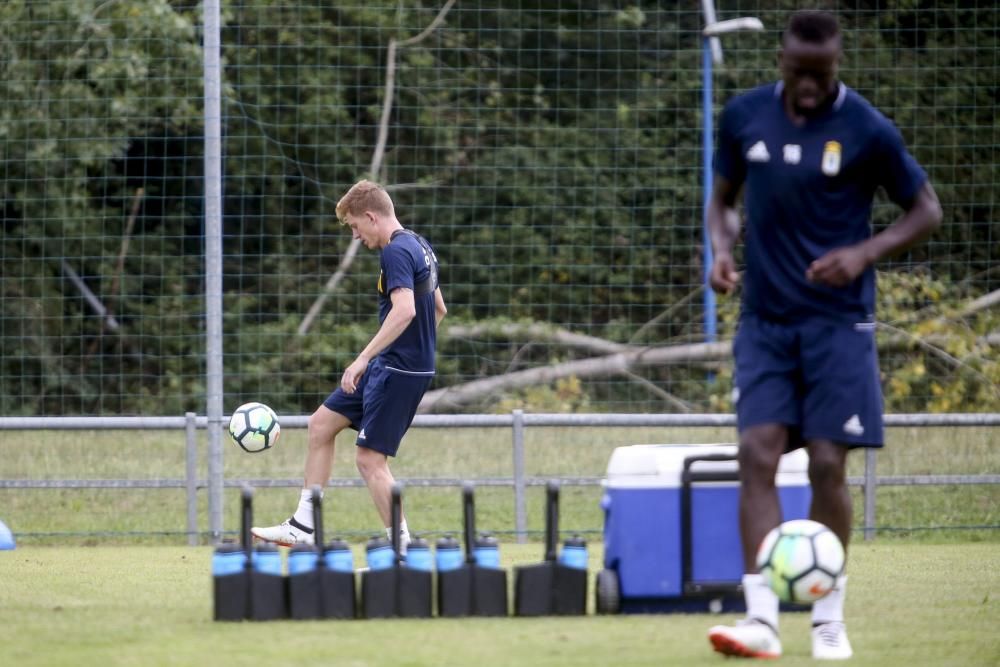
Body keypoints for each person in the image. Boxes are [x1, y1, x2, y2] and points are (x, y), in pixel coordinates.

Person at [704, 10, 941, 661]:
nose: (809, 86)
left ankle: (827, 617)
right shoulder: (745, 115)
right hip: (766, 322)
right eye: (799, 72)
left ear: (837, 64)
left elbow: (925, 209)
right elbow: (722, 199)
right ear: (780, 58)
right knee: (757, 452)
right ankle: (760, 621)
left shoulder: (866, 128)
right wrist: (722, 250)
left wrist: (864, 253)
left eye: (822, 74)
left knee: (829, 462)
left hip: (839, 323)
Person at [253, 179, 447, 553]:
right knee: (321, 424)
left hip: (396, 370)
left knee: (370, 460)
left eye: (356, 227)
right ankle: (303, 525)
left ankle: (402, 551)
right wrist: (417, 349)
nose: (356, 236)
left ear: (372, 217)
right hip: (398, 366)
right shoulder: (421, 245)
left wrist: (364, 358)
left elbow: (405, 309)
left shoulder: (394, 252)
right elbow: (439, 309)